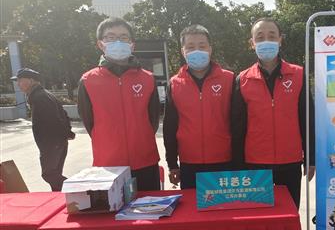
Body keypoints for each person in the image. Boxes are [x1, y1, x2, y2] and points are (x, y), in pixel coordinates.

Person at [231, 18, 315, 208]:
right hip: (255, 163)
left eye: (272, 36)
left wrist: (311, 158)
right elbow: (237, 127)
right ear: (252, 43)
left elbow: (307, 119)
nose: (266, 41)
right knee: (259, 216)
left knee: (288, 213)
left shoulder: (298, 75)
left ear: (280, 40)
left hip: (290, 161)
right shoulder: (242, 79)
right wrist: (238, 165)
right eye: (260, 37)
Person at [77, 17, 161, 191]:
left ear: (132, 44)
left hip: (145, 161)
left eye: (124, 37)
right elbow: (89, 122)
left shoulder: (147, 79)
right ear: (101, 44)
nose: (118, 42)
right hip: (108, 165)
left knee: (150, 206)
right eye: (111, 37)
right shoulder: (88, 81)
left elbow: (153, 119)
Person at [163, 25, 234, 188]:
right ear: (183, 51)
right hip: (189, 163)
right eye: (190, 47)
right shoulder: (174, 84)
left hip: (224, 160)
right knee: (192, 204)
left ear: (210, 49)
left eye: (202, 46)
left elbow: (238, 123)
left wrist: (239, 161)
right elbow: (169, 127)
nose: (197, 51)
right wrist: (172, 164)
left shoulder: (229, 80)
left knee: (225, 204)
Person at [11, 68, 75, 191]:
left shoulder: (39, 97)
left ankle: (79, 189)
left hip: (52, 143)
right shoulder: (42, 94)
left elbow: (55, 119)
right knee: (54, 174)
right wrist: (67, 133)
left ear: (30, 81)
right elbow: (64, 114)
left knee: (49, 174)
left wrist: (65, 134)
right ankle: (63, 197)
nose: (18, 84)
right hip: (55, 142)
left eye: (20, 80)